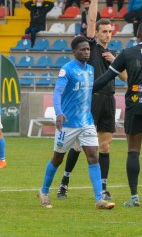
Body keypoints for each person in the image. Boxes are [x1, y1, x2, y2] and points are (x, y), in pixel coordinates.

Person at [56, 0, 126, 200]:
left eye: (110, 32)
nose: (107, 34)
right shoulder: (93, 48)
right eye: (104, 31)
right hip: (90, 100)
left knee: (105, 146)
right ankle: (64, 182)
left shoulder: (114, 53)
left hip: (109, 99)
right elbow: (93, 19)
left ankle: (103, 187)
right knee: (78, 145)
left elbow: (125, 77)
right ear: (97, 33)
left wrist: (115, 62)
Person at [93, 21, 142, 207]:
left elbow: (106, 78)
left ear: (136, 35)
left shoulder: (128, 53)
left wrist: (89, 89)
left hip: (135, 106)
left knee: (133, 150)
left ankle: (134, 197)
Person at [37, 36, 116, 210]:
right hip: (67, 123)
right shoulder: (67, 70)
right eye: (82, 49)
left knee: (93, 156)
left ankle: (99, 199)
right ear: (74, 52)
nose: (86, 52)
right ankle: (43, 191)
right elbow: (57, 93)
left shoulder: (90, 70)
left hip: (86, 122)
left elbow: (92, 88)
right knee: (58, 158)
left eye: (88, 49)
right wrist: (59, 113)